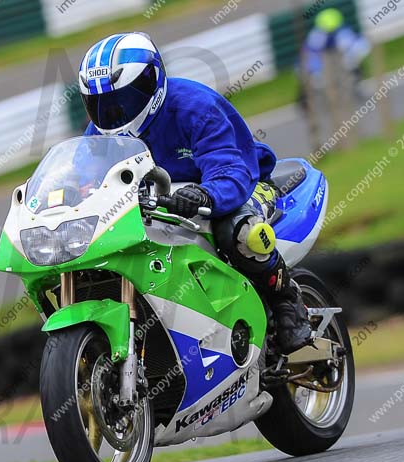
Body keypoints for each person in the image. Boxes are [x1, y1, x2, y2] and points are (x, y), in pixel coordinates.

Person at [78, 32, 312, 354]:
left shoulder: (195, 107)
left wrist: (205, 195)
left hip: (243, 185)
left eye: (124, 98)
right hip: (159, 206)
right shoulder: (98, 135)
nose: (113, 111)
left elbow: (230, 170)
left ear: (153, 82)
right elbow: (84, 180)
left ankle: (287, 300)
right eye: (101, 103)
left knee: (242, 233)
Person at [299, 8, 371, 94]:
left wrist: (351, 59)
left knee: (352, 65)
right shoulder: (317, 36)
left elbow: (357, 45)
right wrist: (315, 72)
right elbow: (310, 54)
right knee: (312, 80)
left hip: (339, 62)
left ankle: (357, 85)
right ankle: (304, 101)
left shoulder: (342, 32)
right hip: (318, 67)